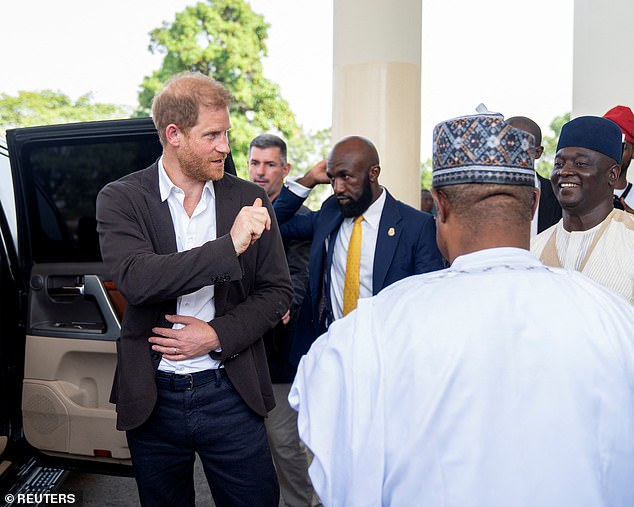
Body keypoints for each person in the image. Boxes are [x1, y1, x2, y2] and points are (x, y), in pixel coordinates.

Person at [289, 113, 634, 506]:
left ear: (440, 205)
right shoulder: (615, 319)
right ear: (535, 201)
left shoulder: (372, 330)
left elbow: (335, 463)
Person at [96, 72, 292, 507]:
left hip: (232, 388)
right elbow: (138, 279)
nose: (225, 145)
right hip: (153, 397)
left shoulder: (250, 199)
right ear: (174, 135)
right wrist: (230, 247)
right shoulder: (120, 198)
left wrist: (217, 334)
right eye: (213, 135)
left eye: (226, 133)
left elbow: (277, 292)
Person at [274, 135, 445, 365]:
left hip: (386, 358)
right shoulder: (330, 212)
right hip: (329, 353)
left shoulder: (417, 226)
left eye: (346, 177)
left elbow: (428, 302)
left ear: (373, 173)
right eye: (332, 178)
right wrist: (309, 180)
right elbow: (275, 224)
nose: (338, 188)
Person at [247, 133, 318, 507]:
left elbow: (300, 277)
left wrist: (281, 300)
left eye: (270, 164)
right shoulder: (231, 211)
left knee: (285, 443)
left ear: (285, 169)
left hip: (281, 351)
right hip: (236, 348)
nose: (261, 172)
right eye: (255, 163)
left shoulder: (303, 219)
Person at [531, 115, 634, 304]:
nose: (564, 171)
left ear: (613, 174)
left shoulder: (630, 240)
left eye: (580, 164)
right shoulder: (533, 250)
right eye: (559, 164)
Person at [506, 116, 562, 233]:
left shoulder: (559, 197)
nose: (509, 152)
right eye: (504, 144)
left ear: (538, 152)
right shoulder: (484, 193)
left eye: (520, 145)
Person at [603, 105, 634, 213]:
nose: (613, 153)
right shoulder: (583, 194)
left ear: (633, 152)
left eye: (621, 147)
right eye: (606, 145)